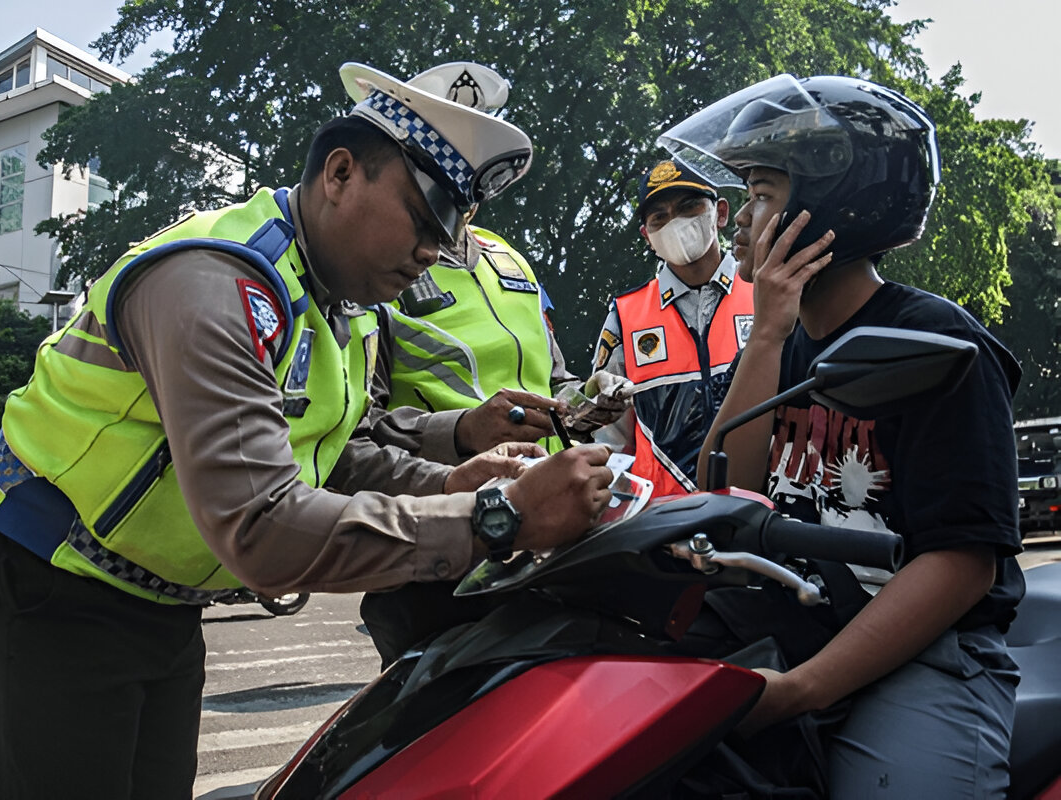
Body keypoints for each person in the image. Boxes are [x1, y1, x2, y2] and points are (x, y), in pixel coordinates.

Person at [0, 61, 614, 800]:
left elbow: (334, 449)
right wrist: (498, 518)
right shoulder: (215, 284)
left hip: (160, 595)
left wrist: (451, 480)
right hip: (47, 581)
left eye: (451, 229)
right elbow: (262, 525)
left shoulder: (341, 304)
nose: (436, 251)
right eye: (425, 220)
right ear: (339, 174)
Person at [666, 74, 1023, 796]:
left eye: (762, 193)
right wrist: (767, 333)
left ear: (830, 208)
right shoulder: (780, 345)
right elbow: (719, 492)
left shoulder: (937, 343)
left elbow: (962, 563)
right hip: (797, 627)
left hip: (927, 652)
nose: (737, 218)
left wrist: (801, 690)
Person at [331, 62, 631, 667]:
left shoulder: (511, 261)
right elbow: (348, 436)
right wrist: (463, 432)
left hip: (550, 535)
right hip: (438, 551)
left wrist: (587, 401)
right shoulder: (373, 260)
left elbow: (553, 380)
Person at [590, 157, 753, 496]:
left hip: (759, 511)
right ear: (647, 235)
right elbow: (609, 442)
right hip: (662, 524)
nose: (675, 223)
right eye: (659, 217)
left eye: (689, 206)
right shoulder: (625, 316)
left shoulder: (765, 292)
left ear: (720, 213)